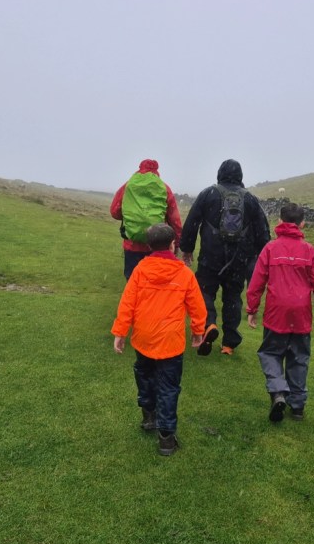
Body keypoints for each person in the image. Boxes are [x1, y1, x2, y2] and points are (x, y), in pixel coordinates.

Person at [112, 223, 209, 456]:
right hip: (171, 340)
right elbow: (197, 306)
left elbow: (128, 303)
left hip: (144, 337)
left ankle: (148, 416)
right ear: (173, 244)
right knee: (168, 387)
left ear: (148, 246)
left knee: (144, 374)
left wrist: (120, 332)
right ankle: (166, 437)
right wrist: (198, 332)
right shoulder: (184, 273)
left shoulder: (140, 270)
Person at [246, 202, 314, 422]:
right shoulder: (309, 250)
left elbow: (257, 281)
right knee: (299, 358)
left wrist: (252, 308)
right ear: (302, 223)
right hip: (301, 313)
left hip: (276, 312)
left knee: (270, 352)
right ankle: (297, 407)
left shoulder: (270, 248)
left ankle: (277, 392)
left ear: (279, 221)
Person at [180, 159, 270, 356]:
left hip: (210, 256)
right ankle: (229, 343)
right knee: (232, 298)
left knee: (204, 292)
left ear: (219, 173)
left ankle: (209, 324)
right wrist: (262, 257)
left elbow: (192, 223)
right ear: (241, 176)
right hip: (239, 259)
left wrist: (186, 249)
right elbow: (263, 232)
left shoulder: (208, 194)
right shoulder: (250, 199)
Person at [110, 159, 183, 279]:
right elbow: (174, 220)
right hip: (157, 244)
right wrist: (177, 243)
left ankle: (135, 296)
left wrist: (131, 216)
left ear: (140, 168)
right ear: (156, 171)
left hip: (132, 243)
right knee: (154, 279)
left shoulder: (128, 185)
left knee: (134, 279)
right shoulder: (164, 188)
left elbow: (114, 212)